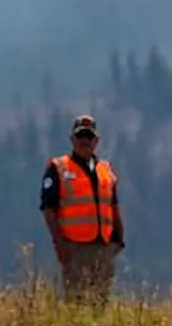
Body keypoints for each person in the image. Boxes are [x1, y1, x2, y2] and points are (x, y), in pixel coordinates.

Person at [39, 113, 124, 307]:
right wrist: (58, 242)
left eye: (89, 136)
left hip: (103, 245)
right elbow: (48, 208)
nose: (84, 141)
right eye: (80, 136)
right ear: (72, 139)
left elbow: (113, 205)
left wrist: (118, 239)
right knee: (76, 301)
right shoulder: (58, 168)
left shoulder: (105, 169)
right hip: (74, 247)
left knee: (100, 301)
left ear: (96, 141)